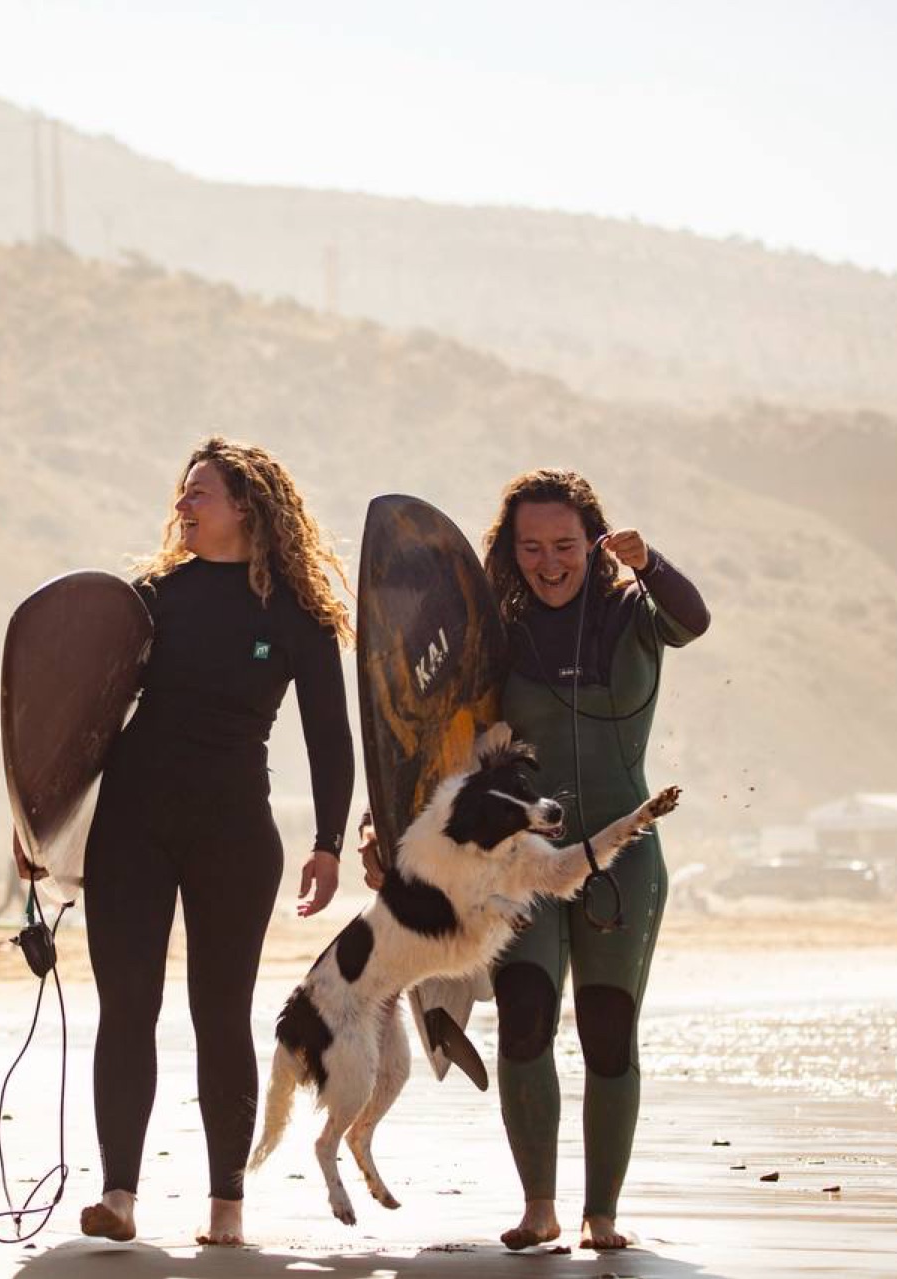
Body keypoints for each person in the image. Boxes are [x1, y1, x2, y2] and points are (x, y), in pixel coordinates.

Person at [364, 469, 708, 1253]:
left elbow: (695, 620)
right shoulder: (496, 636)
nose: (548, 562)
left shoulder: (633, 616)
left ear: (594, 542)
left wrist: (648, 561)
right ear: (509, 551)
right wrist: (384, 824)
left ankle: (604, 1214)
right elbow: (428, 737)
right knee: (524, 1020)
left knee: (609, 1028)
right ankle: (539, 1206)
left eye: (564, 545)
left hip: (624, 857)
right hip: (520, 864)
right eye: (531, 548)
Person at [69, 437, 354, 1248]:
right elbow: (80, 717)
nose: (183, 505)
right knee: (127, 1006)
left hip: (232, 830)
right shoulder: (150, 596)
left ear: (247, 506)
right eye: (183, 491)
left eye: (200, 493)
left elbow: (331, 739)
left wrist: (328, 841)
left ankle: (226, 1200)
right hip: (130, 823)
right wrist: (39, 819)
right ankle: (118, 1193)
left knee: (219, 1012)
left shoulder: (296, 614)